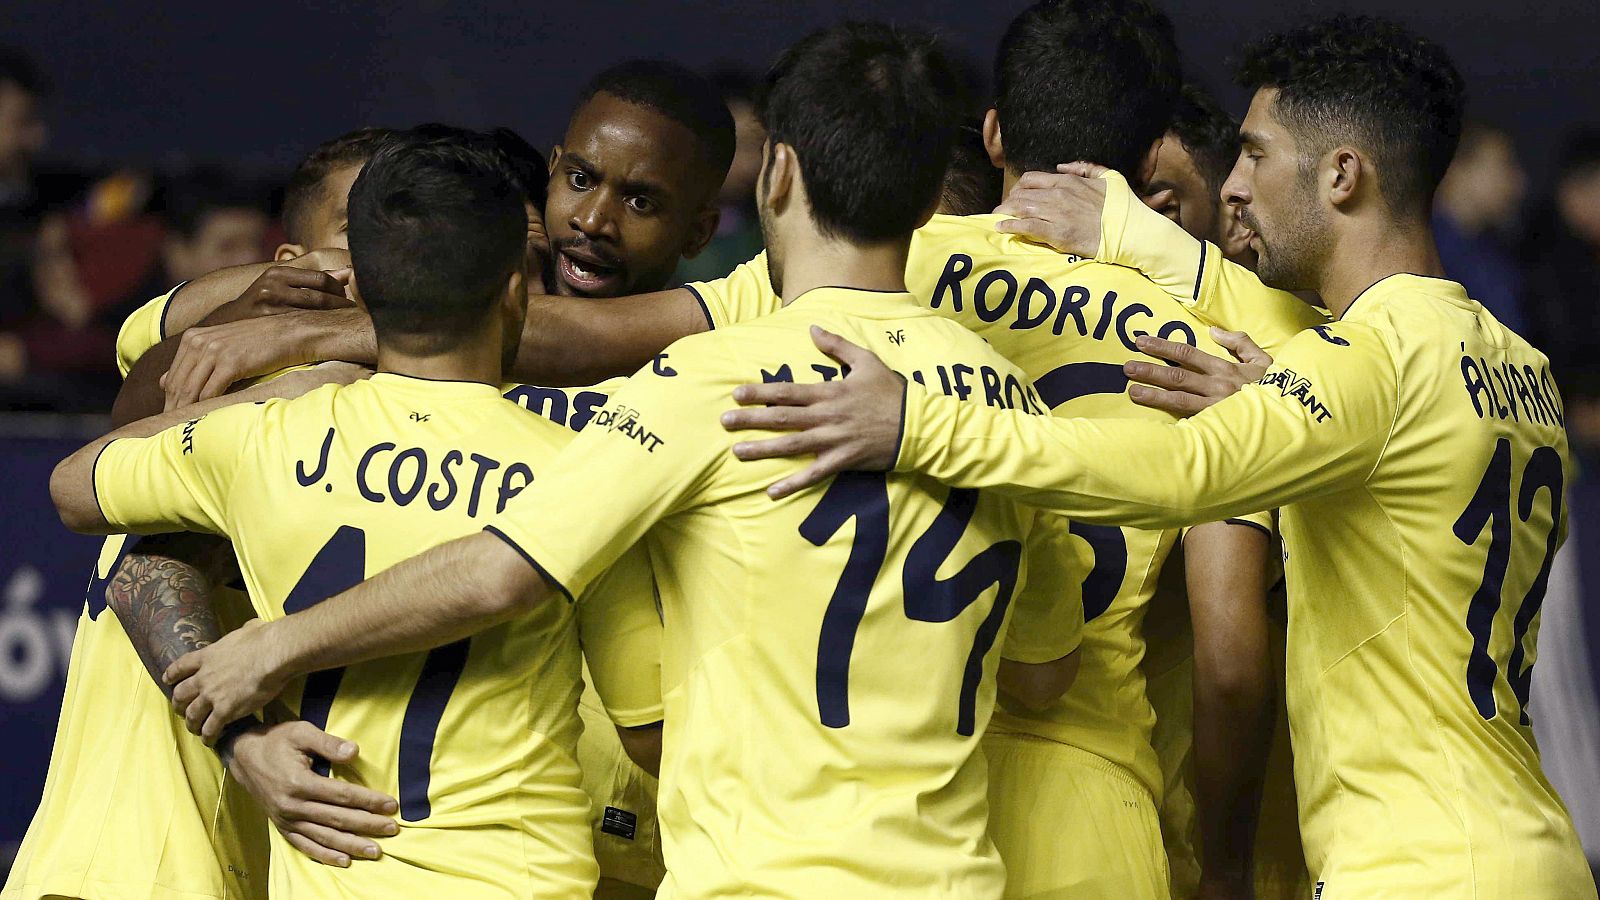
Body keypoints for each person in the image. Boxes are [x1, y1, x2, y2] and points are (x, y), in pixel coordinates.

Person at [135, 22, 1084, 897]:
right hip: (955, 878)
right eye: (580, 182)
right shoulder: (1004, 403)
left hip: (756, 875)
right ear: (932, 197)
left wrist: (271, 646)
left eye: (638, 199)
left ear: (776, 174)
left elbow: (503, 570)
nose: (595, 219)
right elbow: (1044, 673)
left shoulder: (712, 378)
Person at [719, 15, 1597, 898]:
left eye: (1254, 154)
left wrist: (918, 422)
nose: (1237, 186)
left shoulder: (1370, 359)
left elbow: (1181, 476)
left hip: (1414, 866)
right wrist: (1269, 388)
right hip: (1531, 840)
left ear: (1342, 174)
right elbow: (1399, 493)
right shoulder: (1517, 366)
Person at [50, 126, 664, 897]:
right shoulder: (589, 466)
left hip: (322, 871)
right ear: (515, 293)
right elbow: (649, 730)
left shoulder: (260, 437)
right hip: (520, 876)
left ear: (368, 290)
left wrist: (274, 395)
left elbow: (75, 485)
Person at [1, 128, 395, 900]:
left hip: (237, 861)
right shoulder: (281, 393)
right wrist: (245, 742)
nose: (386, 251)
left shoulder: (373, 391)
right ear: (287, 265)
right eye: (360, 231)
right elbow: (149, 560)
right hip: (139, 868)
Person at [1433, 121, 1528, 333]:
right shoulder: (1423, 255)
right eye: (1504, 165)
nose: (1518, 183)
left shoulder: (1499, 252)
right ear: (1456, 170)